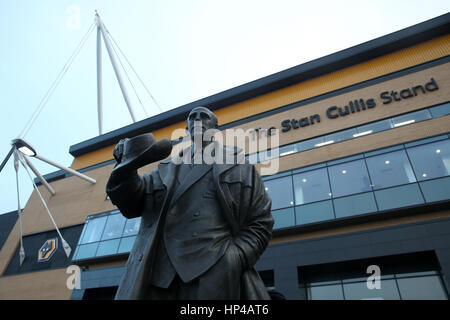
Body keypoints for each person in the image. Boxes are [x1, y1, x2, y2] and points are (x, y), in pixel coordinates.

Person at [106, 107, 274, 300]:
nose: (197, 120)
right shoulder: (165, 169)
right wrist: (125, 167)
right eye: (192, 117)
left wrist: (236, 257)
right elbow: (133, 203)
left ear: (216, 128)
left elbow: (261, 220)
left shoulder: (238, 165)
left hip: (212, 270)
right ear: (186, 129)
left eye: (204, 116)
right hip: (159, 274)